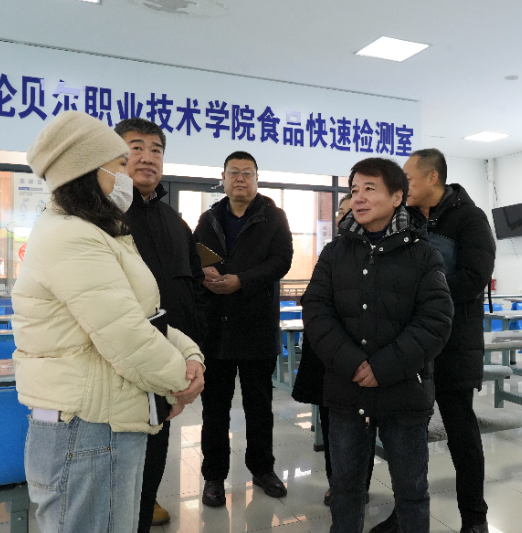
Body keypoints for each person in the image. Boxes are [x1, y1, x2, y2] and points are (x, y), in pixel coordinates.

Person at [13, 111, 205, 533]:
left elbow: (142, 316)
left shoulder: (100, 231)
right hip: (86, 431)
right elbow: (125, 335)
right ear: (88, 169)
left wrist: (190, 353)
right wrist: (180, 380)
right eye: (120, 162)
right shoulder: (71, 236)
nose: (127, 172)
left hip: (109, 421)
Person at [302, 157, 454, 533]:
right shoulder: (335, 253)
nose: (359, 197)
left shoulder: (423, 253)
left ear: (397, 197)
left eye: (370, 188)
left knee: (411, 492)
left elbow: (435, 320)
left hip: (403, 393)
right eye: (354, 190)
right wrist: (353, 363)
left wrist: (382, 367)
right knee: (345, 490)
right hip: (346, 390)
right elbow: (316, 312)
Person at [367, 148, 495, 533]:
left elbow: (474, 278)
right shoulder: (404, 219)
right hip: (412, 346)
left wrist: (422, 293)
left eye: (407, 179)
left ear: (432, 178)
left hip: (455, 345)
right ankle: (404, 514)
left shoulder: (469, 219)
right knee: (407, 437)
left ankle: (475, 518)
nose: (401, 186)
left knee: (461, 435)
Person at [114, 117, 206, 531]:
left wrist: (191, 354)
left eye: (156, 150)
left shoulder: (174, 221)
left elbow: (193, 287)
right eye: (136, 147)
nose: (147, 157)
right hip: (120, 364)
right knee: (120, 458)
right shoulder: (103, 216)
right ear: (116, 155)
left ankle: (145, 505)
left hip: (168, 361)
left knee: (156, 445)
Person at [194, 151, 293, 506]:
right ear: (222, 178)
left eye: (247, 173)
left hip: (256, 327)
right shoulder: (209, 218)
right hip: (215, 330)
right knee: (214, 410)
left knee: (259, 407)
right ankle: (213, 476)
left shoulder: (273, 217)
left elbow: (282, 261)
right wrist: (203, 272)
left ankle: (262, 469)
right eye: (234, 172)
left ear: (256, 179)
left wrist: (242, 280)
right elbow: (195, 256)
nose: (240, 178)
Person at [291, 192, 375, 507]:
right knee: (331, 422)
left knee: (364, 425)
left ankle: (360, 485)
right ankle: (336, 483)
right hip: (329, 353)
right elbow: (315, 301)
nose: (345, 215)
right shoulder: (332, 251)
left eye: (351, 210)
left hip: (366, 357)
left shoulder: (380, 252)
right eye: (341, 211)